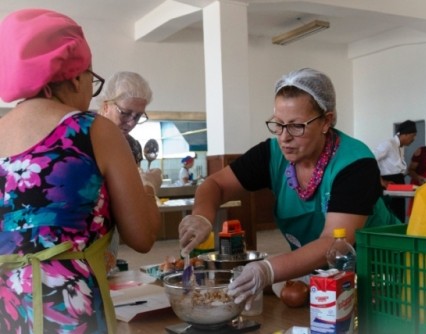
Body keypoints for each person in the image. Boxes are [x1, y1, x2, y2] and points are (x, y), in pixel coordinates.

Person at [178, 68, 400, 311]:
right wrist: (201, 215)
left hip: (380, 274)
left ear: (326, 121)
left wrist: (268, 269)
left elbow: (335, 242)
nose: (284, 137)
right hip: (321, 272)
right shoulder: (272, 155)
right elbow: (216, 185)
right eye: (278, 124)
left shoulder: (355, 163)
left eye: (296, 126)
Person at [0, 9, 160, 334]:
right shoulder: (93, 130)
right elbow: (142, 236)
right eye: (92, 78)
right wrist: (148, 188)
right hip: (70, 308)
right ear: (75, 75)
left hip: (7, 306)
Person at [96, 71, 163, 272]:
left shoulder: (131, 146)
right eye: (125, 113)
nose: (131, 122)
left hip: (111, 233)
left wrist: (145, 185)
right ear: (106, 105)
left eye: (138, 116)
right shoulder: (86, 135)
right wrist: (148, 188)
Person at [373, 120, 417, 222]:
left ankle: (400, 235)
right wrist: (381, 181)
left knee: (400, 212)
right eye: (413, 135)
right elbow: (371, 159)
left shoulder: (401, 147)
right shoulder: (388, 144)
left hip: (398, 179)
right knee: (391, 213)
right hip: (388, 181)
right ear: (405, 134)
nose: (414, 139)